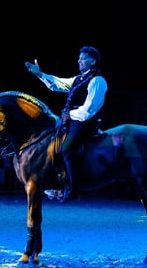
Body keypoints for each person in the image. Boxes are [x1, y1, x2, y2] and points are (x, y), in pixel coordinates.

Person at [25, 45, 108, 202]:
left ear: (93, 61)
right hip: (72, 120)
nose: (79, 61)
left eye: (83, 58)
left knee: (67, 149)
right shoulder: (78, 79)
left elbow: (89, 109)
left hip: (85, 122)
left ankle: (72, 189)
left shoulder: (98, 81)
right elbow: (58, 83)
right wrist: (40, 74)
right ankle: (56, 182)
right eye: (79, 58)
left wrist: (69, 114)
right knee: (51, 142)